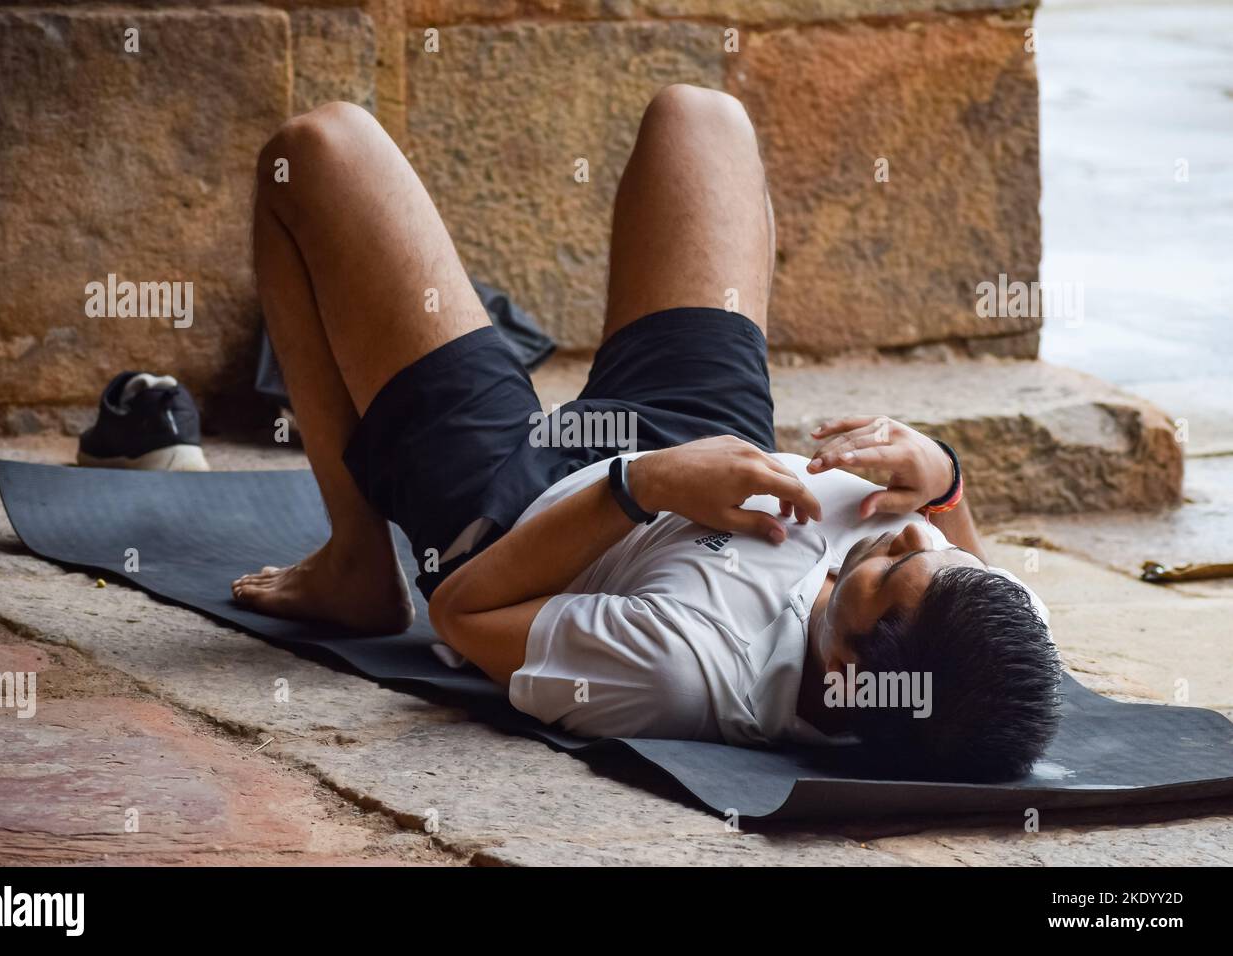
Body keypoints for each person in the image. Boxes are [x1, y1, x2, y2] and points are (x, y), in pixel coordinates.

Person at [231, 85, 1062, 782]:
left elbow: (460, 614)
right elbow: (950, 547)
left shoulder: (688, 670)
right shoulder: (994, 631)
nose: (912, 532)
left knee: (314, 149)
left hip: (510, 509)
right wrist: (944, 478)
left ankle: (355, 565)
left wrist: (644, 486)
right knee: (701, 117)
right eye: (932, 544)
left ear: (846, 678)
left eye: (892, 567)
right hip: (717, 443)